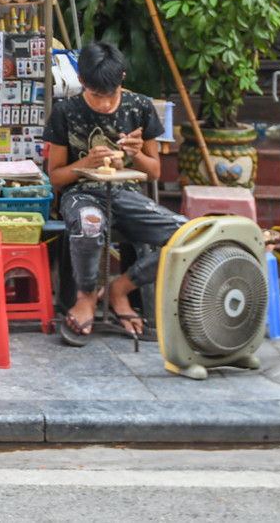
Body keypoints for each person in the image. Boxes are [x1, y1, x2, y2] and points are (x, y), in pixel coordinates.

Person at [43, 40, 185, 346]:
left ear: (122, 80)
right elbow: (55, 177)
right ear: (81, 83)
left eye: (111, 96)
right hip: (81, 195)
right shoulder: (65, 112)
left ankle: (120, 289)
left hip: (126, 194)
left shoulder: (139, 107)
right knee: (90, 224)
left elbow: (155, 171)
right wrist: (85, 163)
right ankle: (85, 298)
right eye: (96, 96)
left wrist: (134, 156)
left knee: (187, 235)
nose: (105, 105)